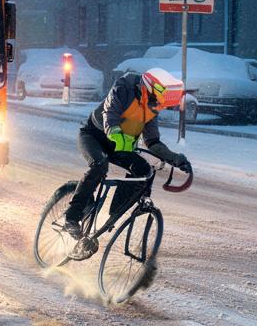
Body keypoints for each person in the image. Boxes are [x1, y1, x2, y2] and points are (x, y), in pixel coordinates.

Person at [64, 67, 191, 238]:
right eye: (157, 101)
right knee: (100, 165)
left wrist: (175, 158)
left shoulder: (150, 109)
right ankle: (71, 218)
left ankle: (114, 213)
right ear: (150, 89)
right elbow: (110, 114)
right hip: (93, 136)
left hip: (119, 146)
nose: (158, 106)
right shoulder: (123, 88)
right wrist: (116, 134)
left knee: (143, 170)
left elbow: (152, 142)